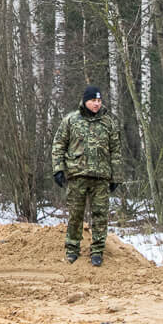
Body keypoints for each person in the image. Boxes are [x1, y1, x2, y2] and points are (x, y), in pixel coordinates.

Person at [52, 85, 123, 267]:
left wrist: (116, 176)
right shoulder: (71, 120)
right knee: (76, 214)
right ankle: (72, 249)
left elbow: (116, 150)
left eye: (99, 101)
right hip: (77, 175)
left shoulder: (108, 123)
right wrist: (58, 168)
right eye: (93, 101)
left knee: (100, 215)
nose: (96, 104)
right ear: (85, 101)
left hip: (101, 177)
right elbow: (59, 143)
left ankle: (97, 251)